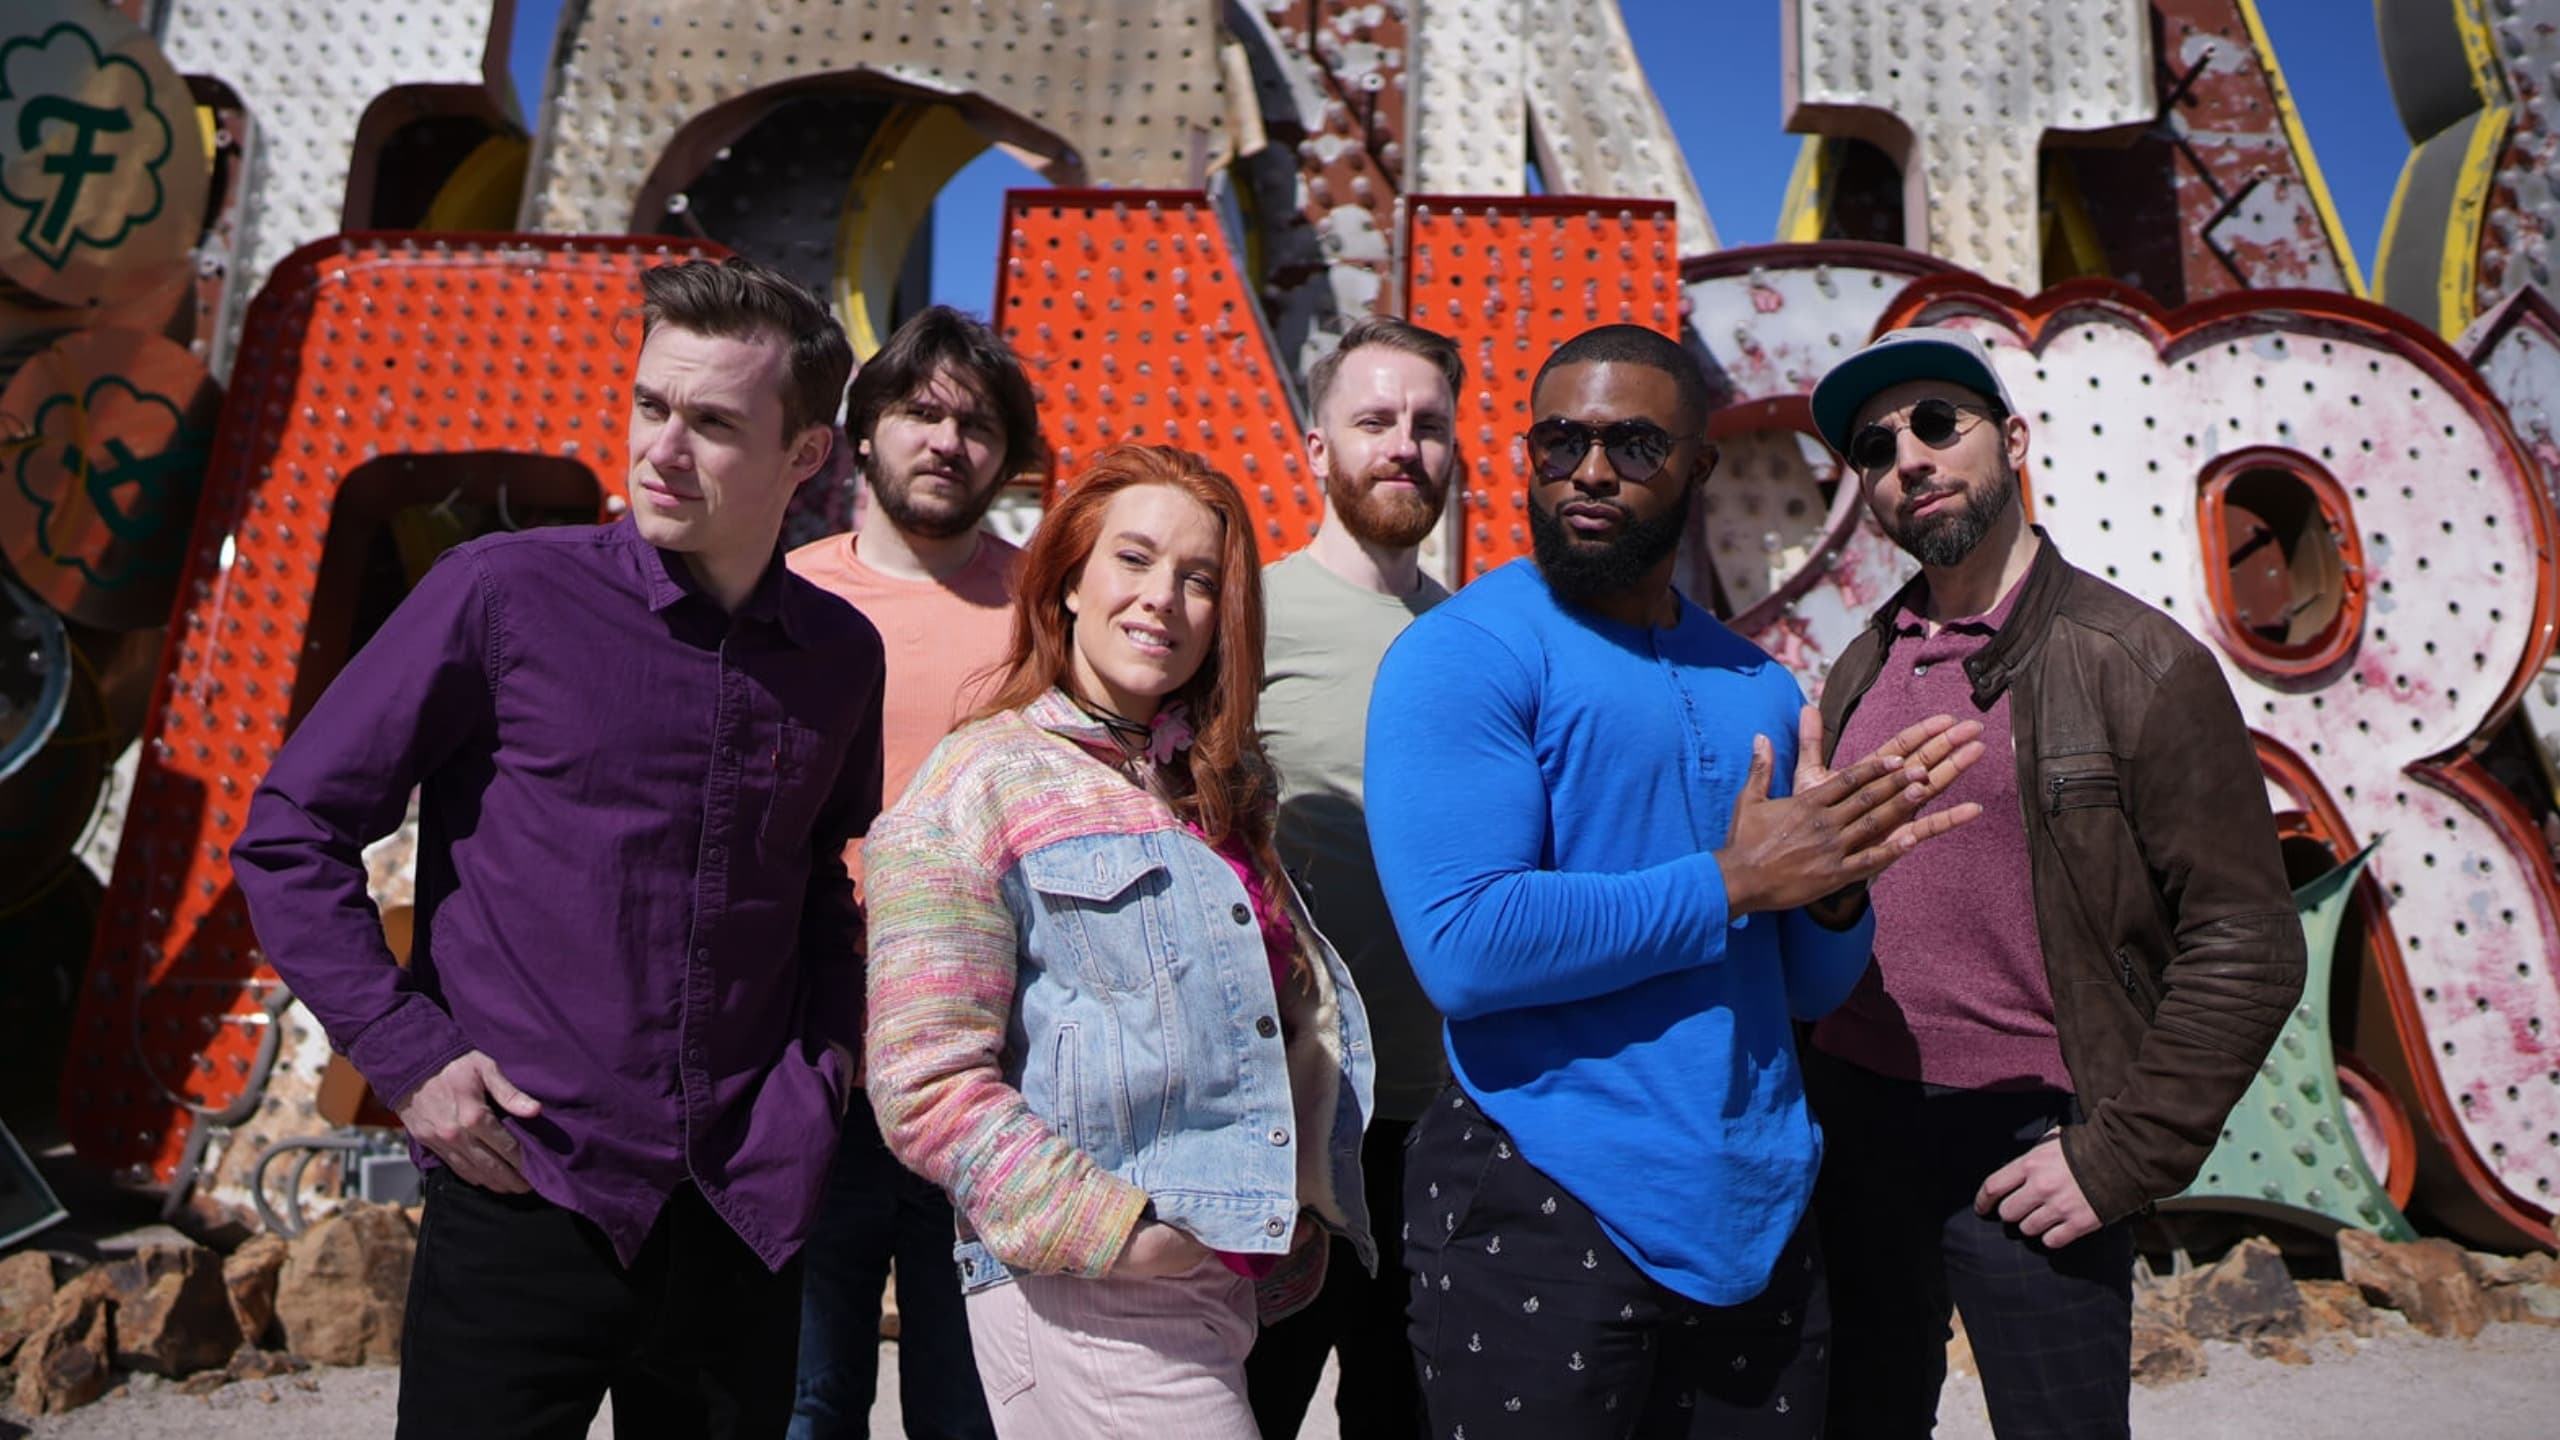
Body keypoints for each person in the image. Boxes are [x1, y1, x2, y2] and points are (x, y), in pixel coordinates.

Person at [232, 258, 879, 1438]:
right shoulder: (499, 594)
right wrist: (408, 1057)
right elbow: (291, 832)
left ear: (806, 455)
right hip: (523, 1184)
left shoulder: (839, 655)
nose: (661, 450)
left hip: (741, 1204)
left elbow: (821, 888)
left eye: (713, 423)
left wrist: (820, 1078)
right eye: (649, 405)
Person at [1367, 323, 1988, 1439]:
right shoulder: (1462, 654)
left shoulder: (1760, 685)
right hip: (1538, 1198)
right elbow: (1464, 944)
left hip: (1758, 1214)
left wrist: (1836, 887)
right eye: (1560, 443)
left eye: (1635, 445)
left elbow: (1802, 988)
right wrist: (1733, 882)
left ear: (1699, 465)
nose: (1591, 471)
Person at [1801, 326, 2307, 1439]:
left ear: (2015, 440)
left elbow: (2248, 942)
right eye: (1876, 448)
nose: (1908, 459)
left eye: (1938, 424)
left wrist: (2118, 1157)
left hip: (2033, 1142)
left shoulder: (2136, 661)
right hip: (1855, 1126)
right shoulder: (1861, 664)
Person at [862, 444, 1375, 1440]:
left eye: (1198, 579)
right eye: (1133, 560)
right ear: (1066, 582)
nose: (1163, 600)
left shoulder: (1213, 786)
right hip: (1091, 1293)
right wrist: (1118, 1233)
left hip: (1219, 1284)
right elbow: (924, 1079)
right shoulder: (979, 780)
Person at [786, 305, 1044, 1440]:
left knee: (971, 1409)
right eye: (920, 413)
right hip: (810, 1064)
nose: (947, 442)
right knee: (804, 1401)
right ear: (863, 431)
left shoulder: (1050, 612)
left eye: (977, 424)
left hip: (995, 1072)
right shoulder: (786, 598)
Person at [1245, 315, 1461, 1440]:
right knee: (1249, 1411)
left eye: (1428, 425)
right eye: (1375, 420)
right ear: (1318, 447)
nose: (1403, 446)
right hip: (1281, 1116)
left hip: (1438, 1117)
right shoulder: (1248, 616)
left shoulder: (1476, 636)